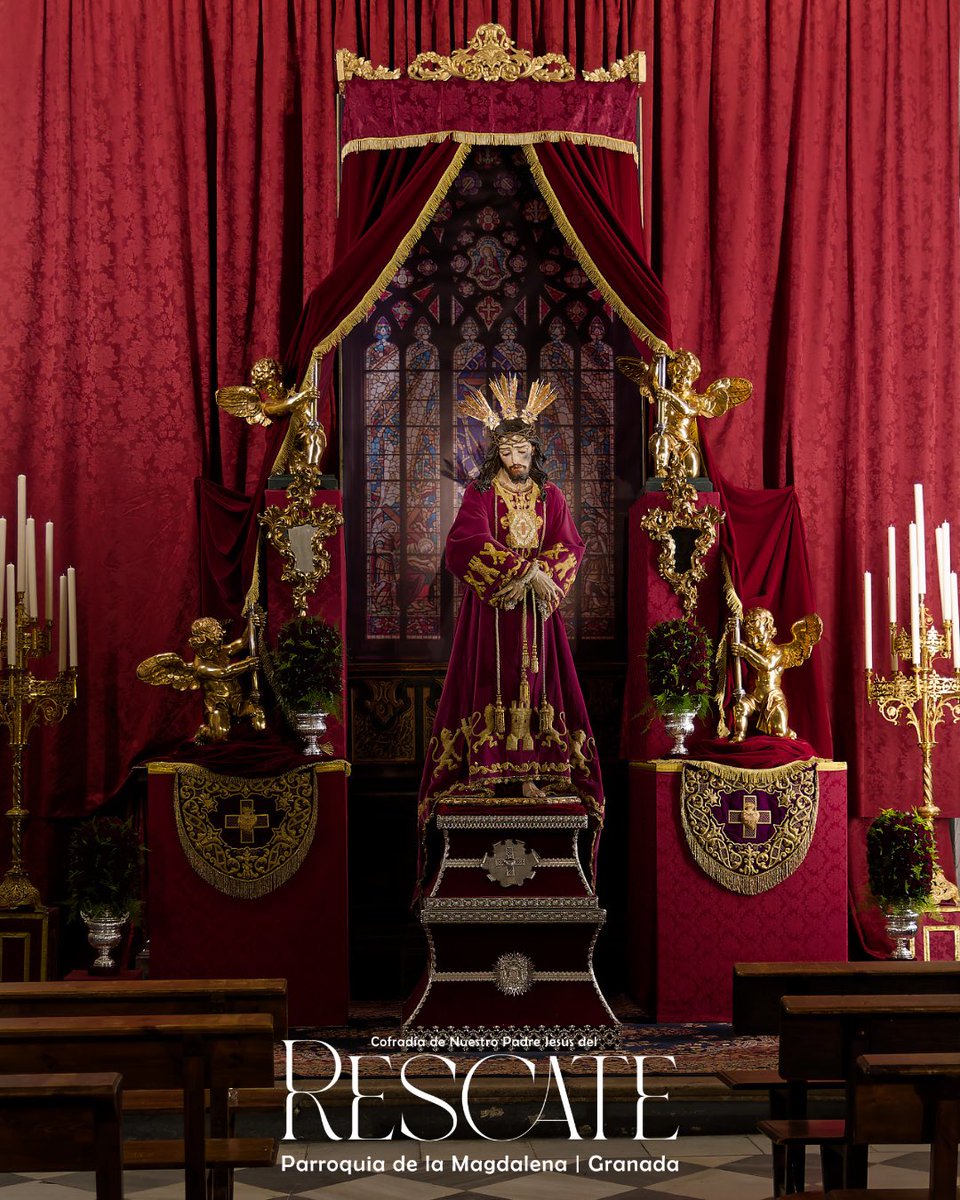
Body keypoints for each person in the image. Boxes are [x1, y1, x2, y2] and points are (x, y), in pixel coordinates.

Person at [417, 374, 603, 844]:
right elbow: (463, 544)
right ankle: (488, 770)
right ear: (495, 452)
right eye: (507, 451)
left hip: (538, 616)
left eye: (523, 451)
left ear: (534, 451)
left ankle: (532, 772)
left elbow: (570, 544)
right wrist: (525, 572)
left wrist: (545, 576)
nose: (516, 460)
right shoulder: (481, 495)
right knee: (490, 682)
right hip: (493, 615)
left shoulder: (551, 497)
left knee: (539, 685)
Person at [137, 616, 266, 743]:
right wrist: (247, 664)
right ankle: (205, 732)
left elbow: (243, 642)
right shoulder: (200, 666)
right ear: (205, 639)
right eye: (216, 633)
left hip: (237, 700)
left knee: (258, 714)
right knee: (220, 736)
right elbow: (224, 673)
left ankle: (261, 744)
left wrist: (251, 624)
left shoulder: (221, 651)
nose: (221, 636)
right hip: (218, 704)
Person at [729, 606, 823, 741]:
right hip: (754, 697)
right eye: (751, 637)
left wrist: (745, 651)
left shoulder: (777, 652)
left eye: (759, 637)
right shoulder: (751, 648)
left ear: (770, 632)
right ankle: (739, 735)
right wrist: (734, 630)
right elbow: (737, 645)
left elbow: (766, 665)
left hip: (772, 698)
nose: (754, 642)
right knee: (740, 708)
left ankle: (786, 730)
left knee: (779, 732)